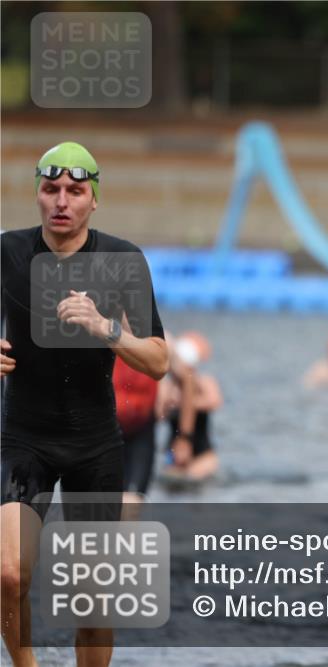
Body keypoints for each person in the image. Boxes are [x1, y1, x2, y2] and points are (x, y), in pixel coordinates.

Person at [1, 142, 168, 667]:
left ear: (94, 200)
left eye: (75, 191)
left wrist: (104, 327)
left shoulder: (122, 260)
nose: (62, 201)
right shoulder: (8, 252)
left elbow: (159, 360)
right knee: (8, 573)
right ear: (38, 194)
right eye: (51, 189)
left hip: (94, 445)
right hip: (22, 439)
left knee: (92, 605)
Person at [158, 331, 222, 483]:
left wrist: (187, 401)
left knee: (196, 481)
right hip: (173, 455)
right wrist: (168, 402)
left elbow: (215, 402)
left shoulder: (205, 382)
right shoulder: (167, 386)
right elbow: (158, 414)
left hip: (203, 453)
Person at [114, 354, 159, 516]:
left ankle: (126, 538)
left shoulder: (160, 342)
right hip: (108, 430)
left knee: (132, 501)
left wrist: (184, 436)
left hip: (142, 430)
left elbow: (186, 376)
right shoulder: (100, 337)